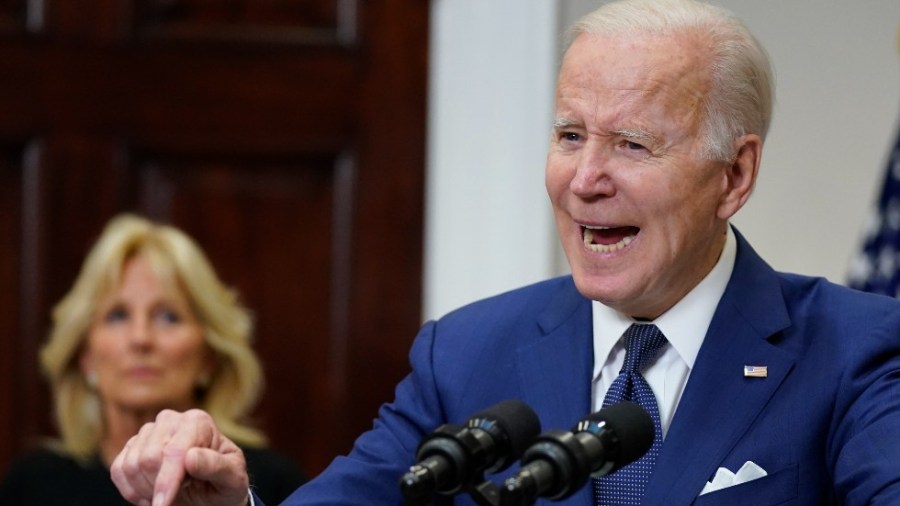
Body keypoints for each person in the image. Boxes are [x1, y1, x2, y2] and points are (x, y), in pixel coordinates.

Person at [110, 0, 900, 505]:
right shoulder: (467, 353)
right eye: (568, 136)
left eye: (631, 143)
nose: (585, 179)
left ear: (735, 175)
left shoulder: (852, 350)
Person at [0, 213, 305, 505]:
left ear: (209, 357)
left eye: (168, 316)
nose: (141, 338)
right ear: (86, 356)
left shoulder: (263, 485)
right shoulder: (31, 485)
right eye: (117, 315)